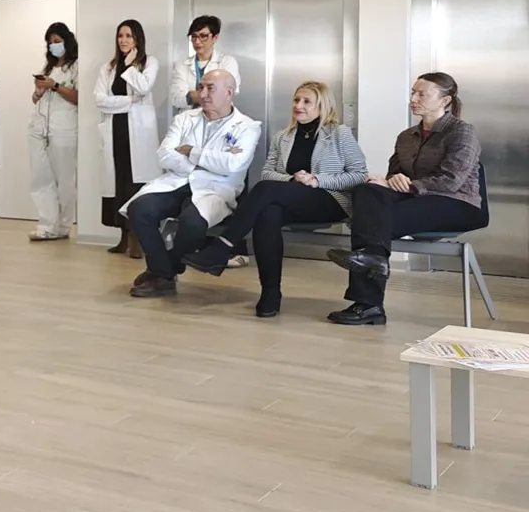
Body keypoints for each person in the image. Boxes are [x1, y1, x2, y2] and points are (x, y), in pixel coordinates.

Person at [180, 81, 367, 317]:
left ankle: (223, 246)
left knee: (265, 190)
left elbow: (359, 174)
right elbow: (267, 172)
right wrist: (292, 179)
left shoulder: (339, 134)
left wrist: (317, 180)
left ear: (323, 106)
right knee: (268, 214)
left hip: (329, 199)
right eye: (296, 100)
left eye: (307, 102)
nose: (298, 106)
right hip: (292, 197)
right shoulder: (283, 137)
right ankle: (270, 292)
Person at [326, 73, 485, 326]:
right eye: (413, 92)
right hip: (417, 199)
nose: (414, 99)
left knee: (371, 222)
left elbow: (452, 180)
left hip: (457, 203)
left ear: (444, 100)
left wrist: (410, 185)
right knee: (368, 191)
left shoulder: (462, 132)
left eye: (422, 94)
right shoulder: (406, 136)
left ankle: (368, 303)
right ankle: (373, 263)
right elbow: (394, 175)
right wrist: (391, 180)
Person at [122, 69, 260, 298]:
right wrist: (205, 163)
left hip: (215, 189)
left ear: (229, 92)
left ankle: (164, 270)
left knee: (192, 223)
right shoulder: (185, 118)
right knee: (139, 209)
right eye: (200, 87)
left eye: (210, 88)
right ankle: (163, 273)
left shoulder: (247, 127)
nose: (202, 94)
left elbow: (232, 165)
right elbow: (164, 155)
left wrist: (191, 151)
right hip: (178, 181)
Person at [92, 19, 160, 257]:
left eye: (129, 36)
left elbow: (143, 88)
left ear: (137, 39)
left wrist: (131, 66)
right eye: (120, 35)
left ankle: (136, 238)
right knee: (118, 182)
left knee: (135, 184)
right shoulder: (108, 67)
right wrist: (129, 102)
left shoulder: (149, 62)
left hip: (138, 133)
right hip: (115, 130)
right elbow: (99, 99)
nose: (123, 40)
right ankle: (123, 236)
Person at [27, 21, 79, 241]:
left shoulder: (76, 66)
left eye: (57, 41)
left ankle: (64, 225)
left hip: (64, 128)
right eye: (50, 43)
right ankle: (47, 224)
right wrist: (38, 91)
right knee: (40, 177)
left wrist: (55, 87)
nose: (53, 46)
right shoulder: (47, 68)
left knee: (65, 179)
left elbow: (79, 97)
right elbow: (36, 99)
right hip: (39, 126)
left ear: (67, 41)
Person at [169, 15, 240, 114]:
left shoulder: (227, 62)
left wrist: (191, 96)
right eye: (194, 36)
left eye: (203, 36)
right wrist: (211, 93)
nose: (197, 41)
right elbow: (176, 98)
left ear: (215, 37)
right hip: (189, 119)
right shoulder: (181, 65)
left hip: (219, 117)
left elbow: (229, 92)